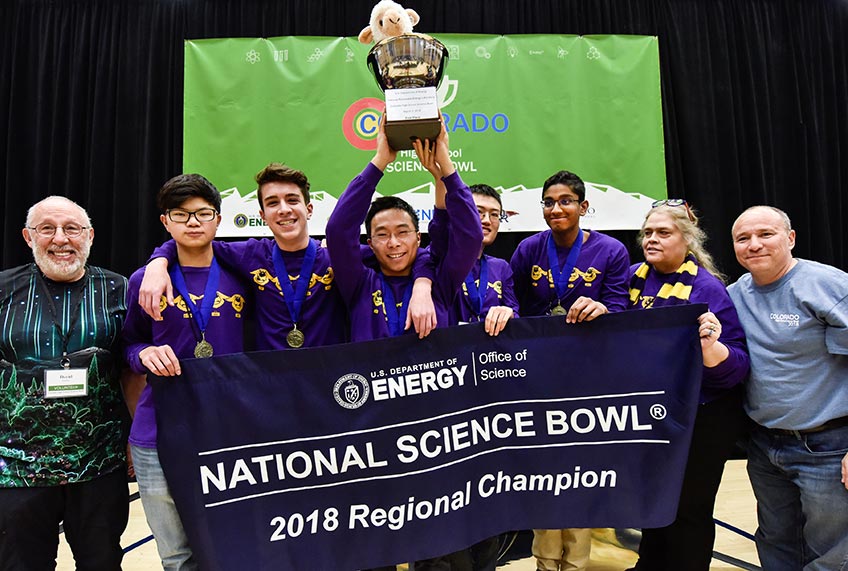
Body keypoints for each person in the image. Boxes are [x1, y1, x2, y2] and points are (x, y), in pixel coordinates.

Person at [0, 196, 142, 569]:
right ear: (28, 237)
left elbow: (131, 372)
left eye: (72, 228)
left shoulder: (119, 290)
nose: (60, 238)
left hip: (100, 464)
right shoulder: (3, 290)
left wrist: (133, 440)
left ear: (90, 236)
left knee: (102, 561)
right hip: (17, 469)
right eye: (47, 228)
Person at [122, 174, 248, 570]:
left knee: (233, 547)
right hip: (157, 433)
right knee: (176, 555)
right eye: (181, 214)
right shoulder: (145, 281)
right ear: (165, 222)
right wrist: (144, 355)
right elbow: (128, 345)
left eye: (202, 213)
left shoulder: (242, 274)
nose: (193, 222)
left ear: (218, 218)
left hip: (229, 431)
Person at [509, 170, 630, 571]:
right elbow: (519, 311)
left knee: (579, 476)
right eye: (548, 201)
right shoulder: (527, 250)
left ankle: (576, 563)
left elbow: (620, 309)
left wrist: (604, 310)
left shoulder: (611, 251)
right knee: (543, 476)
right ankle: (545, 563)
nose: (556, 208)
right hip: (539, 378)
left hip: (589, 378)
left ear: (583, 206)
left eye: (565, 201)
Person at [626, 200, 749, 571]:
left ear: (688, 240)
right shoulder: (632, 279)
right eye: (648, 232)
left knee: (689, 511)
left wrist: (711, 348)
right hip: (652, 413)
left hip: (702, 415)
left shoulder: (706, 289)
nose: (652, 239)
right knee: (655, 506)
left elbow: (737, 368)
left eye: (664, 232)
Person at [728, 205, 848, 570]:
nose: (754, 245)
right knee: (776, 542)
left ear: (790, 238)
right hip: (765, 446)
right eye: (743, 238)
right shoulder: (733, 295)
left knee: (833, 552)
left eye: (766, 234)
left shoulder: (828, 286)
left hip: (828, 447)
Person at [139, 163, 348, 350]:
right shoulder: (250, 255)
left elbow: (378, 251)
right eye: (273, 202)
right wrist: (158, 262)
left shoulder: (336, 257)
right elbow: (193, 240)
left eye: (292, 200)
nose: (284, 209)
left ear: (309, 209)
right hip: (269, 385)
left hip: (327, 383)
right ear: (262, 215)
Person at [326, 120, 481, 343]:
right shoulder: (359, 283)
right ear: (369, 243)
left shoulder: (440, 283)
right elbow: (338, 230)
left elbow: (471, 236)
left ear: (418, 238)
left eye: (402, 232)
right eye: (382, 234)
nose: (393, 242)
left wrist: (446, 166)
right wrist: (380, 161)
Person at [429, 182, 518, 336]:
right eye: (479, 212)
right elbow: (440, 224)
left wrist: (509, 313)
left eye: (495, 214)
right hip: (448, 354)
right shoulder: (440, 256)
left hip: (489, 355)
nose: (487, 221)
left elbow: (515, 313)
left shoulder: (501, 268)